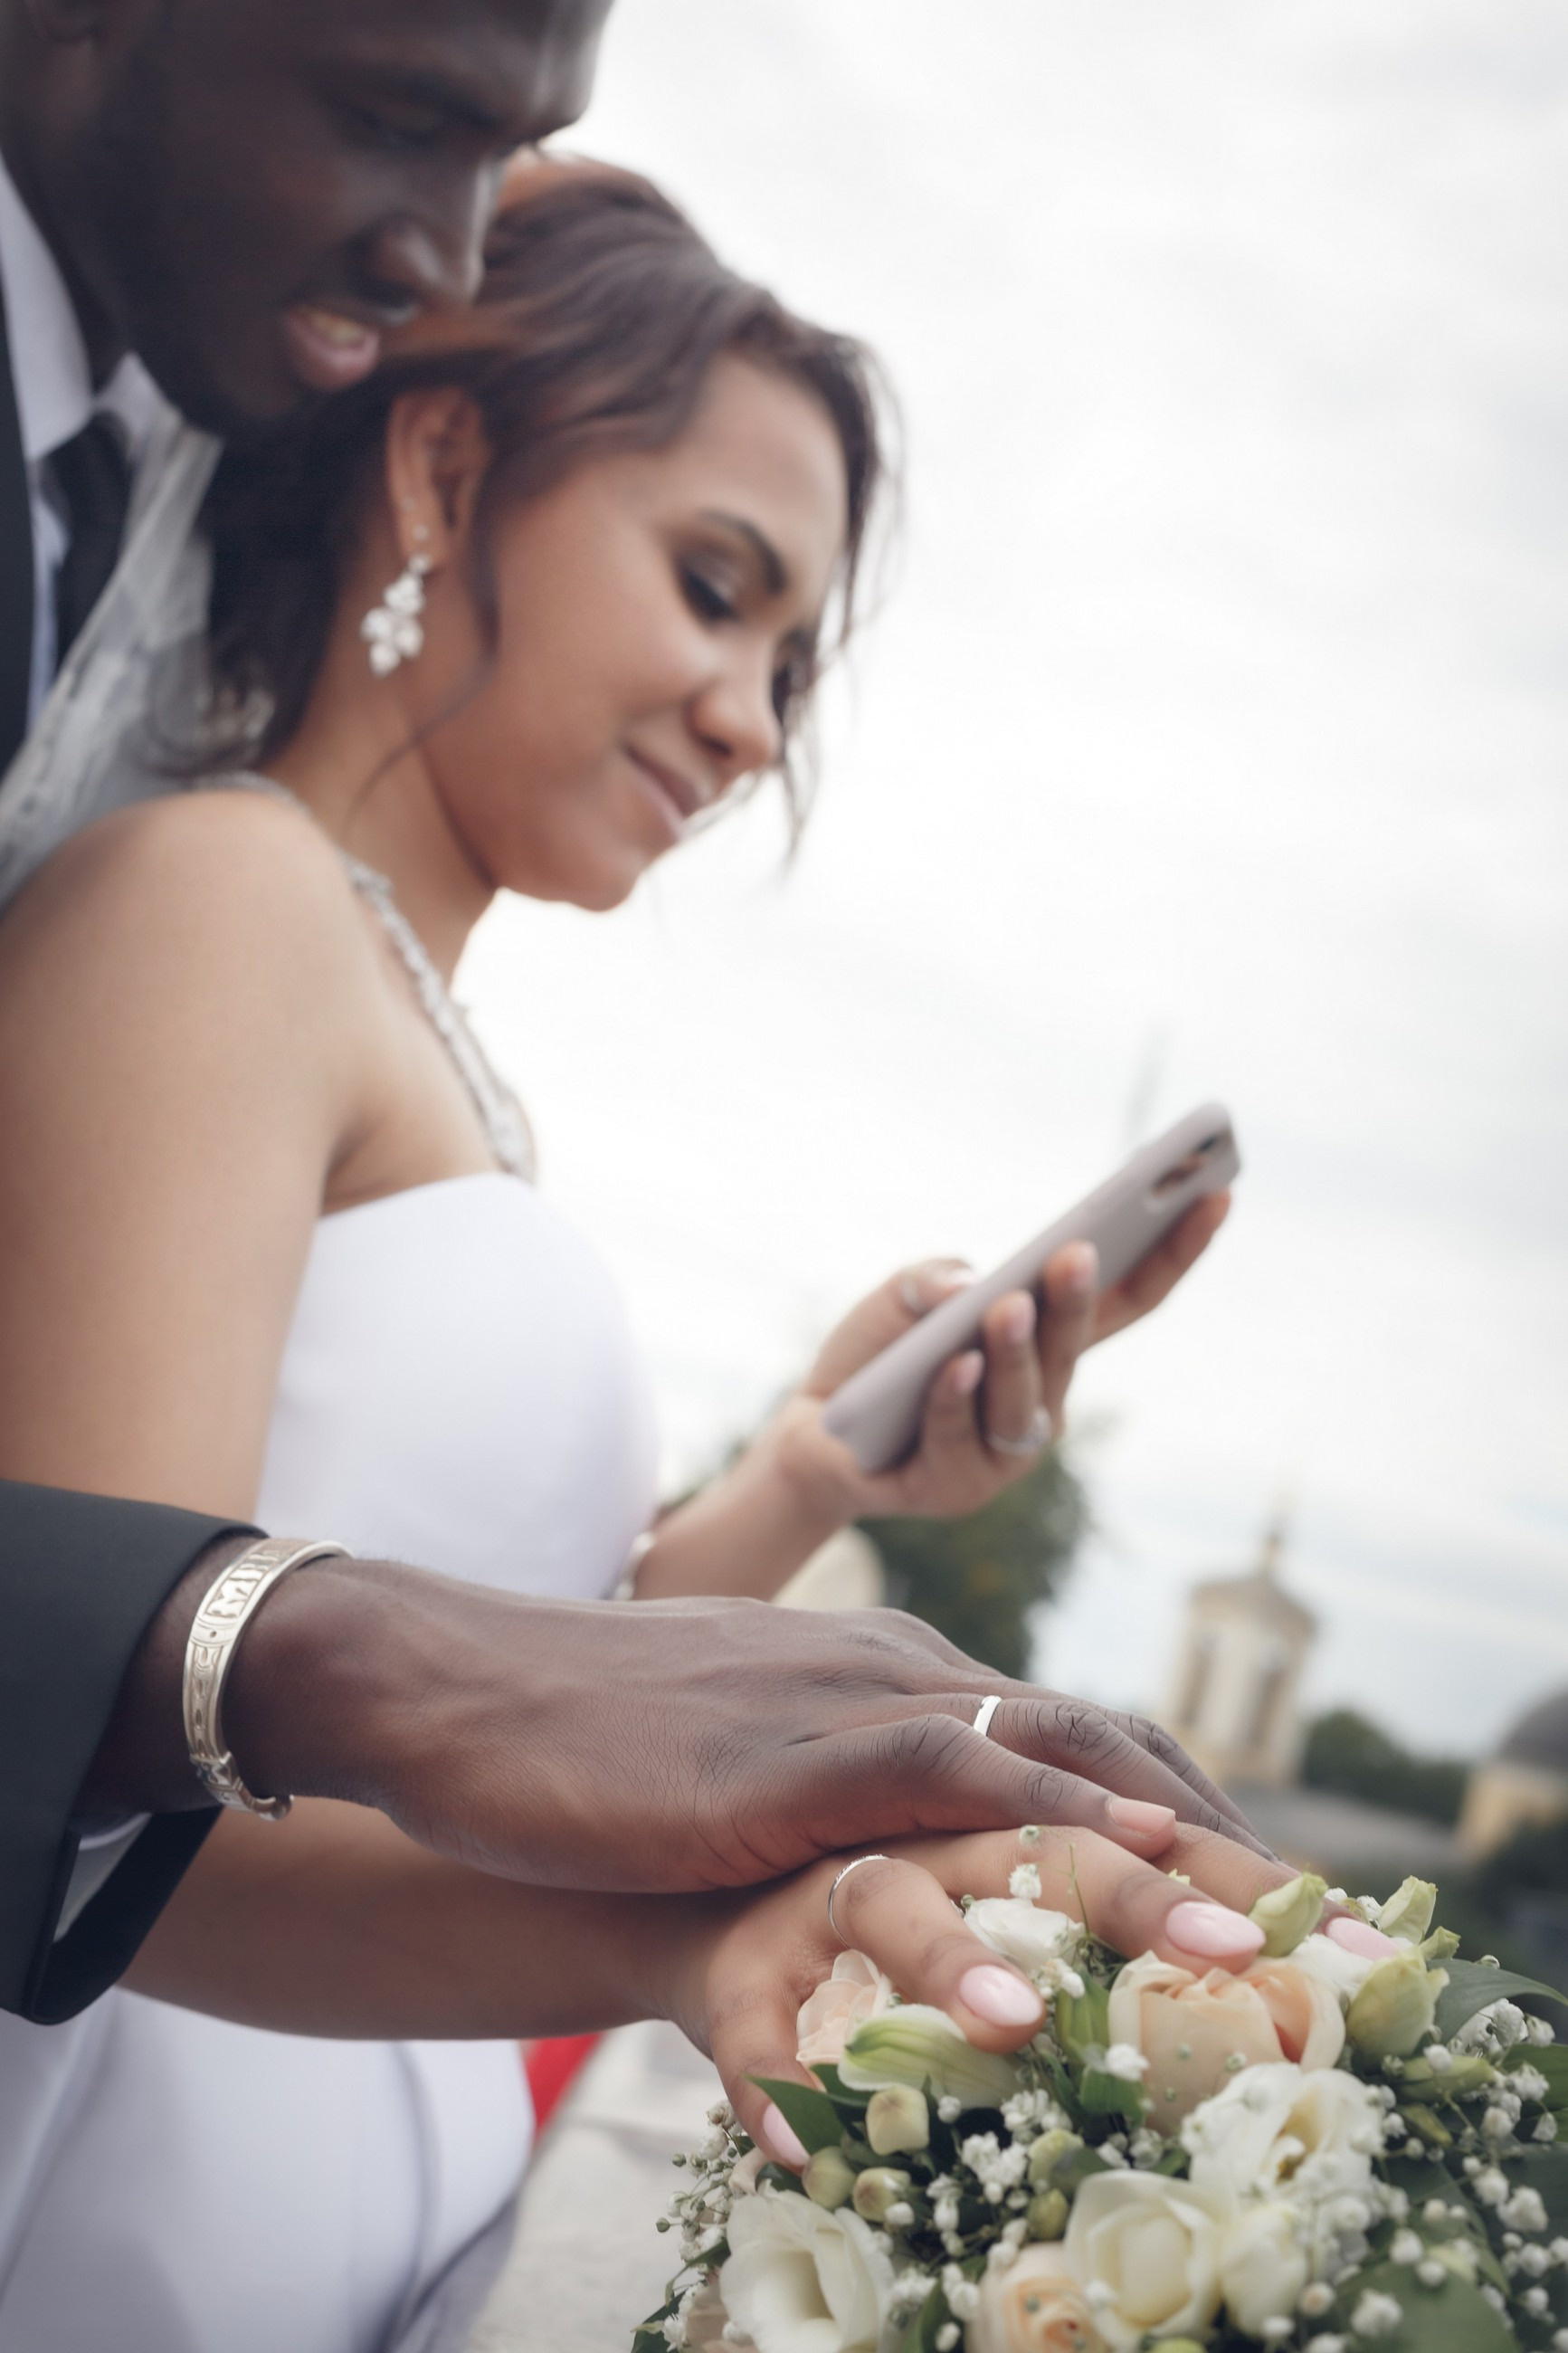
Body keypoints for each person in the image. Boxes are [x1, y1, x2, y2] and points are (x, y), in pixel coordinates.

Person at [0, 163, 1298, 2351]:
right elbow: (97, 1749)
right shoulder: (217, 908)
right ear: (443, 461)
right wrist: (665, 1941)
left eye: (789, 657)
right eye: (716, 588)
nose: (751, 721)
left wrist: (816, 1478)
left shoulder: (418, 1032)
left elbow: (510, 1689)